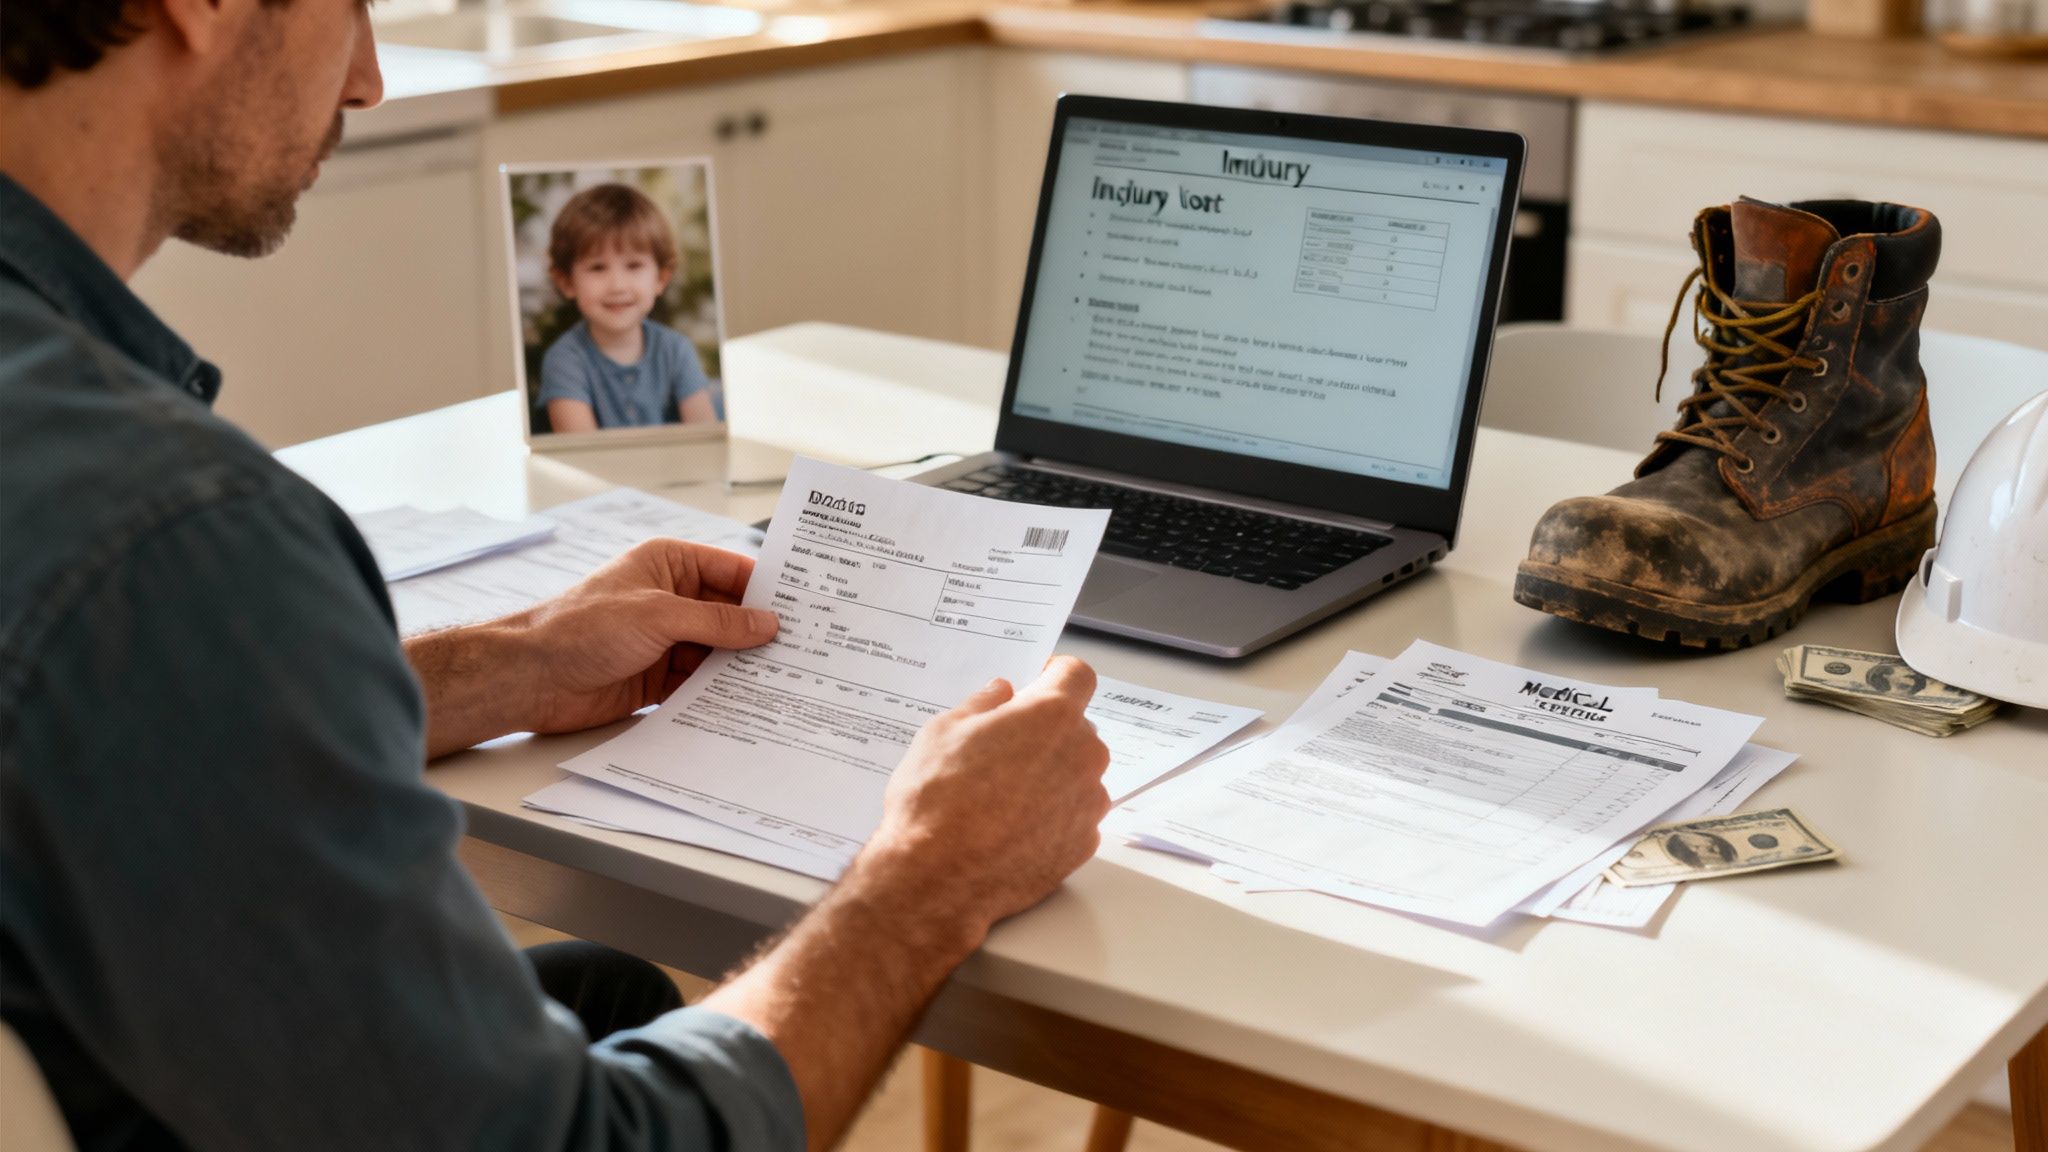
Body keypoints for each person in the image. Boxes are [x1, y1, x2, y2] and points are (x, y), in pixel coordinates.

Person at [0, 3, 1112, 1151]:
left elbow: (137, 720)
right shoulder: (172, 537)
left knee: (604, 994)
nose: (370, 78)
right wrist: (931, 875)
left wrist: (518, 665)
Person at [537, 182, 719, 433]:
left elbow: (706, 443)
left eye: (633, 266)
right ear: (567, 282)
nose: (618, 286)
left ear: (660, 279)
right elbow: (583, 459)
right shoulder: (565, 360)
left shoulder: (676, 351)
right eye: (598, 268)